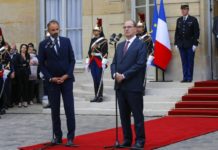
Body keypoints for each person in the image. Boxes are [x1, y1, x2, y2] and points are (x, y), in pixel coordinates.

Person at [38, 20, 76, 146]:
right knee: (55, 111)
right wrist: (50, 78)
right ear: (48, 31)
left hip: (67, 81)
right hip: (52, 82)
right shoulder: (43, 44)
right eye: (52, 30)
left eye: (57, 29)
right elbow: (42, 65)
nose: (55, 32)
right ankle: (57, 137)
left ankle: (70, 137)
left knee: (69, 109)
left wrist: (66, 75)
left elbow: (72, 60)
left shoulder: (66, 41)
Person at [111, 20, 147, 149]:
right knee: (124, 116)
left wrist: (124, 75)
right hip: (120, 87)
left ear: (136, 29)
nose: (126, 29)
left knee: (137, 115)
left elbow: (140, 63)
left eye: (129, 27)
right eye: (124, 27)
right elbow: (114, 63)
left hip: (133, 86)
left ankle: (140, 141)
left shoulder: (141, 45)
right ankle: (127, 139)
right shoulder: (120, 45)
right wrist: (115, 74)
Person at [174, 3, 200, 82]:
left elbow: (196, 32)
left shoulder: (193, 19)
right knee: (184, 62)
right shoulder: (179, 20)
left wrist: (195, 44)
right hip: (181, 45)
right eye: (182, 9)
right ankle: (185, 77)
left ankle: (189, 77)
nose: (183, 11)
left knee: (190, 61)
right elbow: (177, 32)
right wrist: (176, 43)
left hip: (190, 44)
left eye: (184, 9)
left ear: (188, 10)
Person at [86, 18, 108, 103]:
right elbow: (89, 50)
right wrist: (87, 59)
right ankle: (96, 95)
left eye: (96, 30)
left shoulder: (104, 40)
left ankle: (100, 96)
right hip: (92, 61)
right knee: (94, 79)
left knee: (99, 78)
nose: (95, 32)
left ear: (100, 31)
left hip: (99, 61)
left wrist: (104, 61)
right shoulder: (92, 40)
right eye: (94, 30)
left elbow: (105, 52)